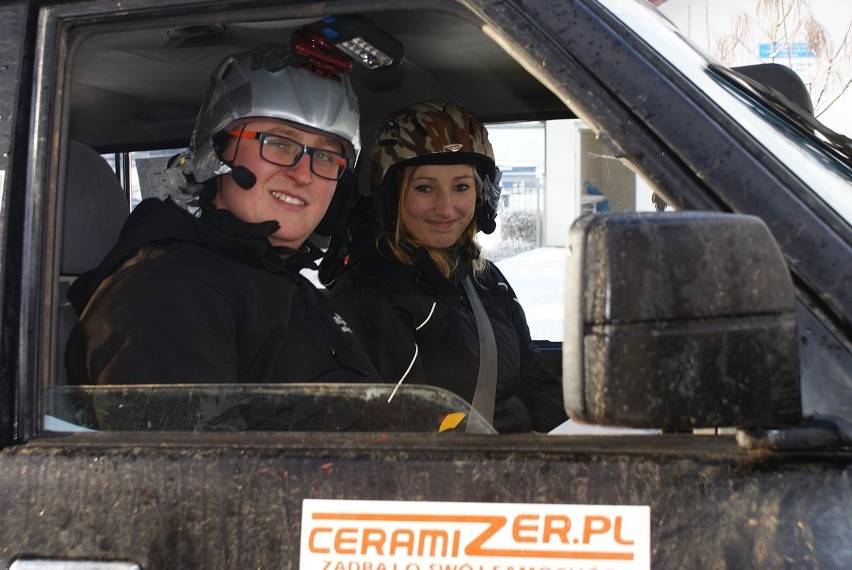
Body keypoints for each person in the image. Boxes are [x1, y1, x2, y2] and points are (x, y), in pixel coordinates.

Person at [65, 41, 380, 385]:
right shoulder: (166, 294)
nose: (303, 174)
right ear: (214, 155)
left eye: (324, 156)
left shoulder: (274, 278)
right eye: (278, 142)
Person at [327, 100, 567, 433]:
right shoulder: (371, 294)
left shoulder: (484, 278)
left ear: (481, 194)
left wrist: (573, 444)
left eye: (461, 187)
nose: (446, 207)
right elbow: (405, 426)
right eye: (425, 188)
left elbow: (534, 379)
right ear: (394, 196)